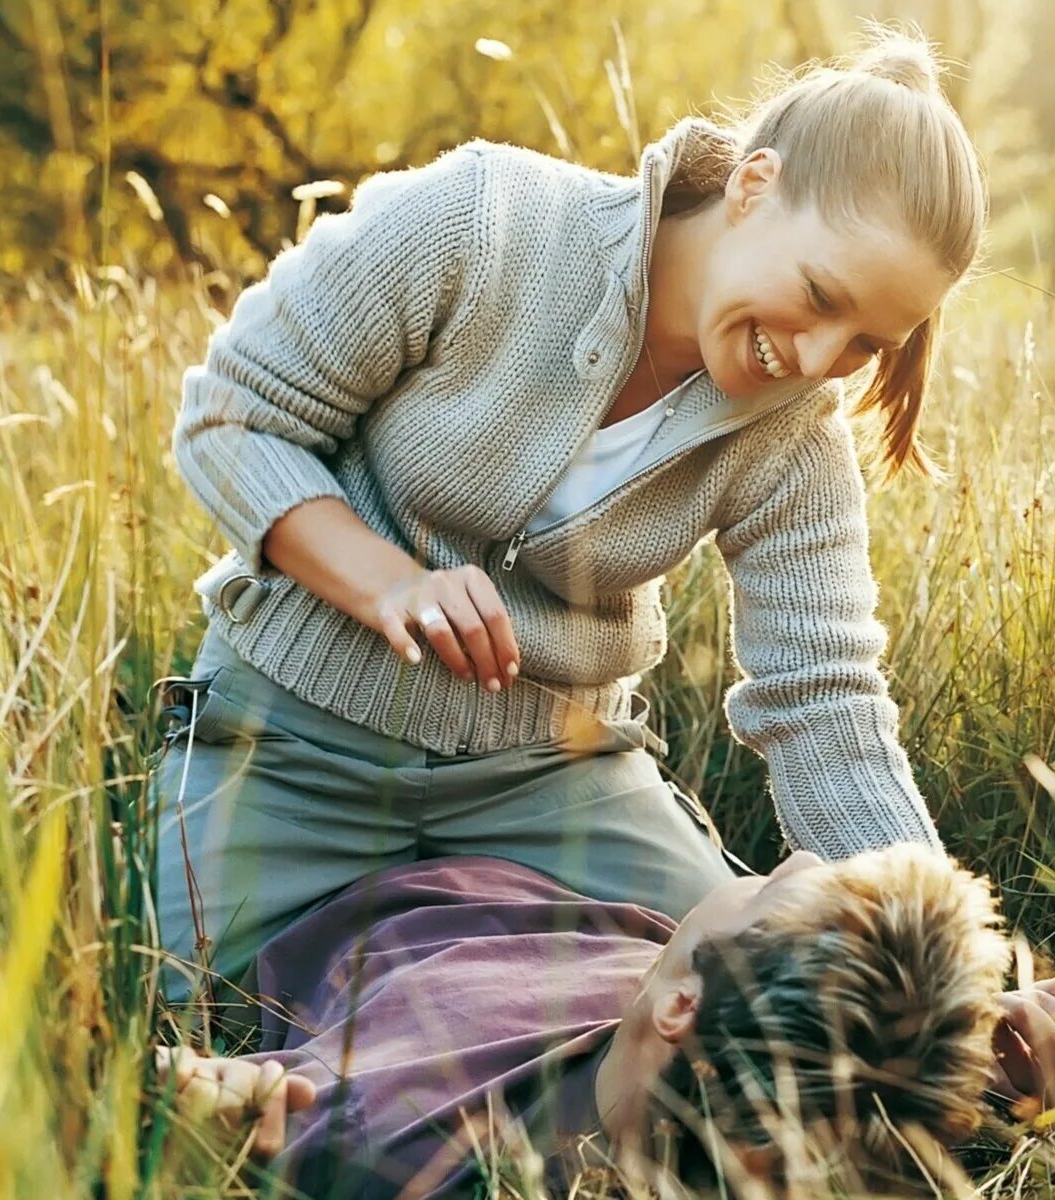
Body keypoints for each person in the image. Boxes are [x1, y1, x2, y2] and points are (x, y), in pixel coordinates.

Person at [152, 25, 989, 1003]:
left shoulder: (796, 435)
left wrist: (952, 977)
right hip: (295, 749)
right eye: (818, 296)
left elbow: (822, 696)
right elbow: (232, 416)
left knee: (736, 1008)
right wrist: (392, 584)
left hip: (552, 782)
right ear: (753, 185)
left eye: (864, 345)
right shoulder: (483, 220)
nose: (814, 362)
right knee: (196, 1005)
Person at [151, 846, 1055, 1197]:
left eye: (775, 885)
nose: (785, 858)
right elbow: (877, 1070)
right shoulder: (766, 1074)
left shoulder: (387, 1141)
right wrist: (994, 1042)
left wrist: (208, 1101)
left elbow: (184, 1099)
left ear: (682, 1005)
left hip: (324, 876)